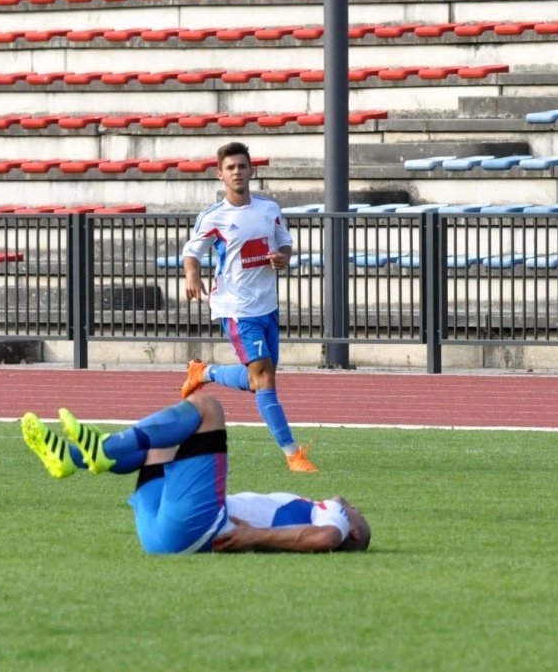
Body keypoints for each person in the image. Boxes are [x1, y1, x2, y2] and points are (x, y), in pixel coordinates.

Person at [19, 394, 369, 555]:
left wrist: (254, 537)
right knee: (168, 436)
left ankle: (102, 449)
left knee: (207, 407)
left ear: (353, 529)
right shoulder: (311, 511)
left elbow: (325, 539)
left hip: (199, 529)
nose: (355, 506)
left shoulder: (332, 518)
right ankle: (71, 458)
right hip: (163, 532)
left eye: (359, 512)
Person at [176, 141, 315, 473]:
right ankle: (294, 454)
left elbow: (284, 245)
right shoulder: (214, 216)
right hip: (236, 308)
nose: (237, 172)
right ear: (220, 174)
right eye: (230, 167)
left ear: (252, 170)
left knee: (259, 380)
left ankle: (204, 372)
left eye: (242, 166)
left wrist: (283, 258)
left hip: (266, 305)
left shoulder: (269, 209)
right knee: (264, 379)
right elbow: (192, 252)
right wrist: (192, 274)